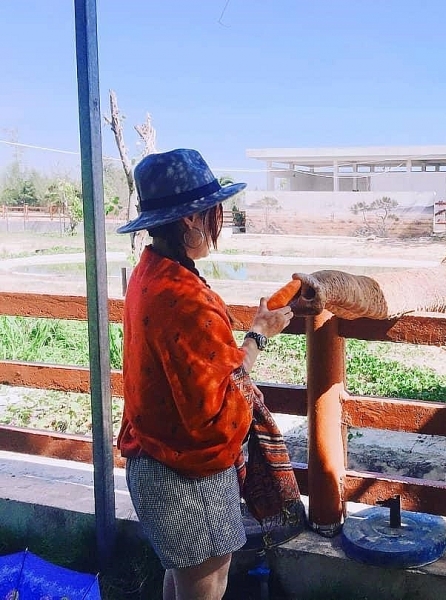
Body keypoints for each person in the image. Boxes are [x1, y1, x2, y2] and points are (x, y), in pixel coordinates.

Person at [116, 148, 296, 600]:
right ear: (190, 222)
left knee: (181, 576)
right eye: (213, 211)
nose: (219, 219)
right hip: (184, 475)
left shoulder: (149, 273)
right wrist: (258, 334)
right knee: (206, 586)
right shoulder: (186, 300)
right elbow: (218, 404)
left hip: (154, 458)